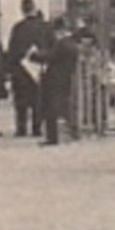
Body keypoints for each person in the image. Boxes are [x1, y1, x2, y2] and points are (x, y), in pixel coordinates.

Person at [6, 0, 53, 137]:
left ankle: (21, 128)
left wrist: (10, 69)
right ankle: (36, 128)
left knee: (21, 101)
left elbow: (12, 50)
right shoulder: (46, 27)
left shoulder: (18, 28)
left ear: (22, 10)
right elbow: (51, 47)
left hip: (21, 69)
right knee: (37, 99)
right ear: (34, 8)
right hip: (40, 67)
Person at [40, 16, 82, 145]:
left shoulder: (62, 44)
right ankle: (68, 133)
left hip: (55, 79)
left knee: (52, 108)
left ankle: (53, 137)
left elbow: (51, 56)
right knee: (64, 106)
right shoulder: (72, 43)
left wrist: (34, 55)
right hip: (65, 78)